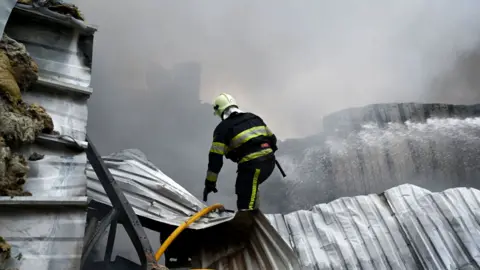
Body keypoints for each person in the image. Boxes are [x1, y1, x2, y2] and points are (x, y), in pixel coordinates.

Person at [203, 93, 278, 211]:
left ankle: (249, 225)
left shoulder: (222, 129)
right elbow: (273, 139)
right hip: (269, 162)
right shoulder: (254, 118)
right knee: (249, 191)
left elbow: (215, 159)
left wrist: (210, 183)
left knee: (245, 202)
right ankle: (255, 218)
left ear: (220, 112)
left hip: (253, 166)